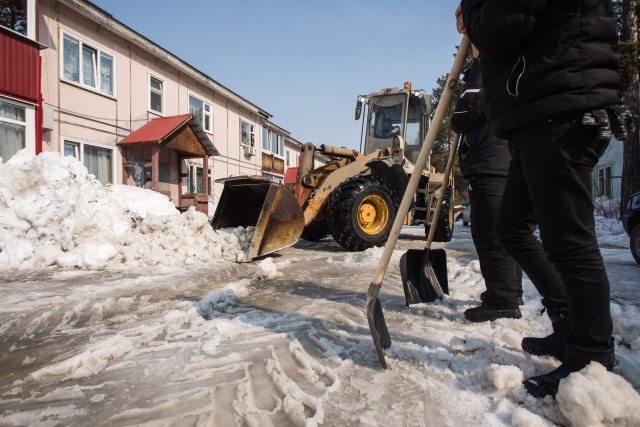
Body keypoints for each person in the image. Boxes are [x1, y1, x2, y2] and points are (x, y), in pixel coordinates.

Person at [456, 0, 626, 398]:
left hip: (560, 106)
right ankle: (568, 323)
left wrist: (476, 11)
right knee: (511, 227)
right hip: (541, 110)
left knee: (570, 241)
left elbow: (502, 26)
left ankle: (592, 354)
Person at [450, 45, 524, 322]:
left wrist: (456, 115)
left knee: (489, 234)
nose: (468, 48)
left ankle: (502, 299)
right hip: (507, 160)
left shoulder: (486, 66)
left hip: (489, 163)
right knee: (506, 232)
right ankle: (511, 292)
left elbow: (464, 115)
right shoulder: (512, 63)